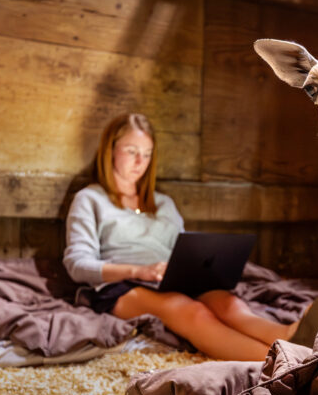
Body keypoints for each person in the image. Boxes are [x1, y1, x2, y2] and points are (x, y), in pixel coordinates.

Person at [64, 113, 300, 362]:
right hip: (122, 284)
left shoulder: (164, 203)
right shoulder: (90, 199)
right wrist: (138, 270)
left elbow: (185, 250)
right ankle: (280, 364)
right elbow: (77, 265)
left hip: (170, 278)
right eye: (131, 151)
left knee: (228, 303)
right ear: (110, 150)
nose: (139, 161)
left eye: (146, 153)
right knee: (191, 310)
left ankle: (289, 335)